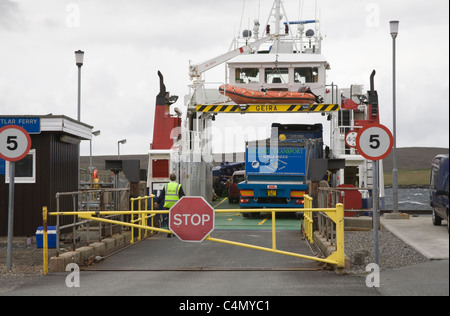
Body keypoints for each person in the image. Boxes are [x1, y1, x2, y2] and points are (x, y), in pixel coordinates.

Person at [154, 173, 185, 238]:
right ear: (175, 179)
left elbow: (162, 195)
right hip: (176, 205)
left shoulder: (166, 186)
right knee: (175, 218)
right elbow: (182, 196)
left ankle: (169, 231)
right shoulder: (178, 186)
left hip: (168, 205)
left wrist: (158, 202)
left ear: (170, 179)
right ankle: (174, 232)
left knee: (169, 218)